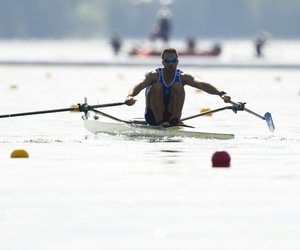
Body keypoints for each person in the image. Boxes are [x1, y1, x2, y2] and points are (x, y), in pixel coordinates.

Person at [125, 48, 231, 126]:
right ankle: (160, 122)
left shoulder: (182, 77)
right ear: (163, 63)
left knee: (178, 86)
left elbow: (202, 85)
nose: (170, 63)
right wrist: (130, 96)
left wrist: (222, 94)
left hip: (171, 115)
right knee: (157, 86)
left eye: (173, 60)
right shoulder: (154, 75)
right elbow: (139, 85)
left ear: (177, 62)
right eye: (167, 61)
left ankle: (174, 119)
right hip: (152, 117)